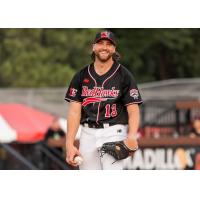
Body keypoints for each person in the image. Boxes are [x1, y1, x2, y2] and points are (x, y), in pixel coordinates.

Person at [65, 30, 143, 170]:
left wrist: (132, 136)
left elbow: (133, 110)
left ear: (114, 49)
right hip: (87, 133)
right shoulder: (81, 76)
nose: (104, 47)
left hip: (114, 131)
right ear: (93, 47)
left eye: (109, 44)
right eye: (101, 43)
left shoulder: (124, 75)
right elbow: (74, 113)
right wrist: (69, 144)